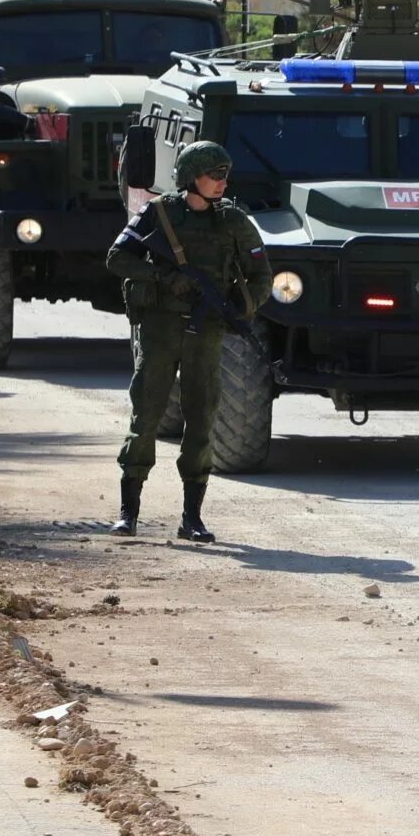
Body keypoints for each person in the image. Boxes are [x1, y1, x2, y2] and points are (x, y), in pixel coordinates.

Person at [106, 140, 265, 542]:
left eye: (225, 175)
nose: (221, 183)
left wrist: (238, 307)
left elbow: (261, 276)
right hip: (161, 328)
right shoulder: (159, 213)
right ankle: (129, 513)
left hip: (206, 332)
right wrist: (164, 278)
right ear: (191, 176)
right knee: (146, 417)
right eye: (214, 175)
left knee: (201, 422)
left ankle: (192, 517)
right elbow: (117, 257)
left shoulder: (233, 221)